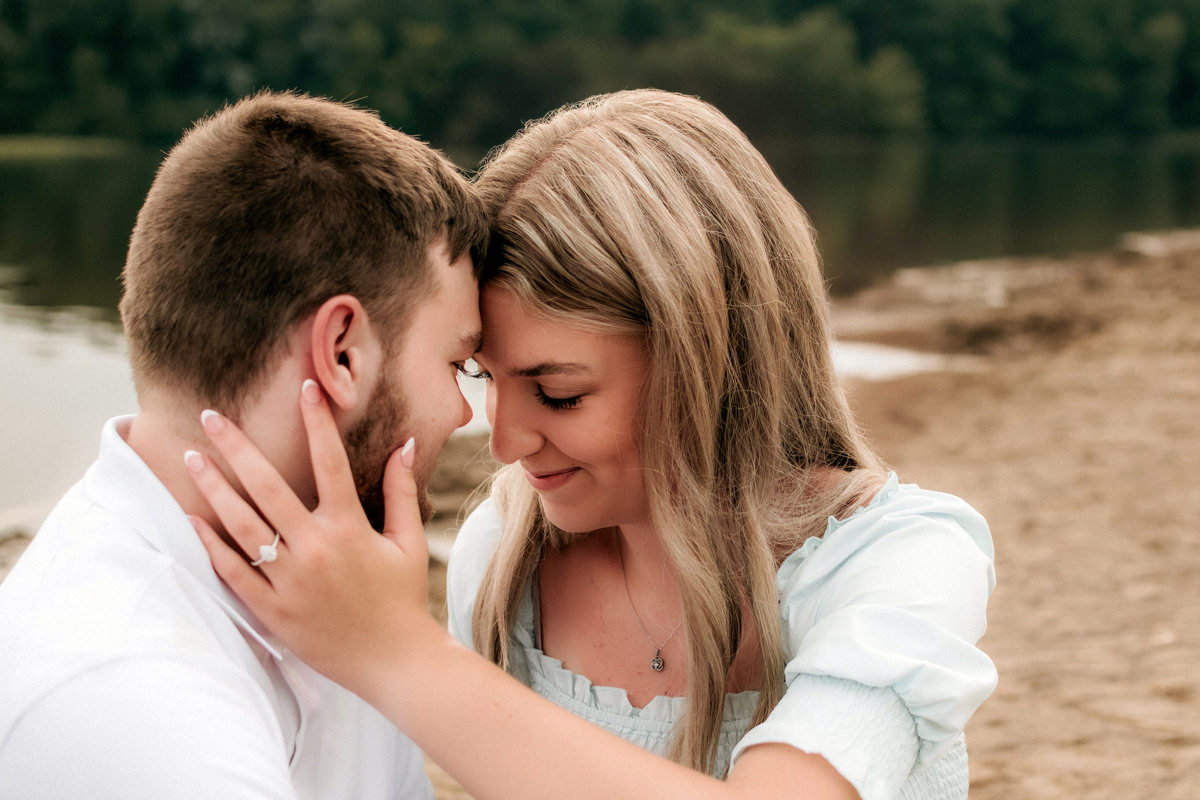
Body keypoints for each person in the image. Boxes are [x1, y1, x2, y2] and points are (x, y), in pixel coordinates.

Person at [187, 89, 997, 800]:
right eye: (482, 377)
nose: (505, 443)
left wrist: (395, 652)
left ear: (708, 359)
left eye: (560, 392)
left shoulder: (900, 565)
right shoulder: (505, 566)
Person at [0, 90, 489, 798]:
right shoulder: (127, 700)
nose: (465, 415)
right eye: (458, 365)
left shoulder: (341, 592)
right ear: (343, 353)